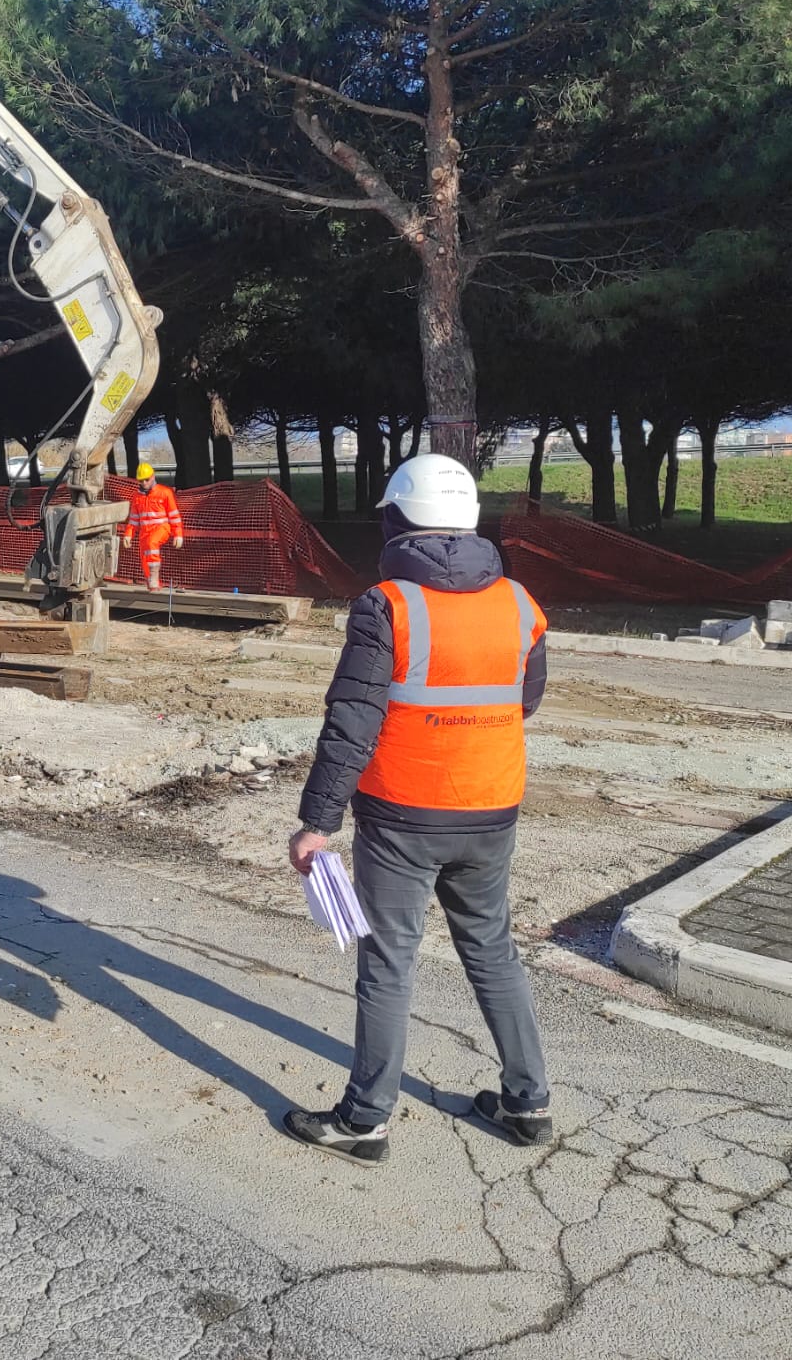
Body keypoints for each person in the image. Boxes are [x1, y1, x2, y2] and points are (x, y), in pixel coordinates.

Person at [280, 453, 552, 1167]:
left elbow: (352, 723)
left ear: (396, 521)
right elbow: (523, 699)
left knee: (388, 962)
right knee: (492, 952)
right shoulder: (520, 603)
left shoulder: (387, 604)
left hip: (403, 816)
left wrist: (316, 824)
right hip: (492, 809)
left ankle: (365, 1118)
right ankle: (528, 1104)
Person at [121, 462, 184, 592]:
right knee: (145, 557)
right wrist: (128, 534)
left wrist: (178, 534)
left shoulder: (165, 492)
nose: (144, 482)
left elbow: (174, 515)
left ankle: (154, 577)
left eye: (146, 479)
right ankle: (153, 584)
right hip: (145, 531)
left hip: (162, 527)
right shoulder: (137, 496)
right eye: (141, 480)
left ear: (153, 476)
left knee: (152, 544)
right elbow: (134, 519)